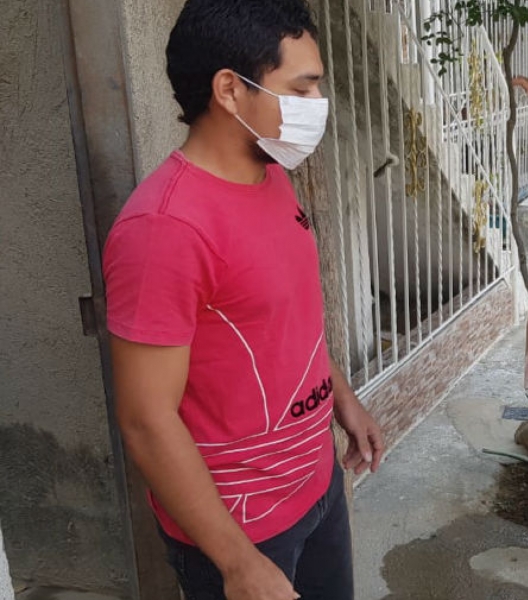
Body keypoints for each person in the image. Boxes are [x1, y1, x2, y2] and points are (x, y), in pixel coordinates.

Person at [103, 1, 383, 599]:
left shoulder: (272, 174)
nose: (317, 107)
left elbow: (286, 321)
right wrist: (237, 564)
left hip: (317, 488)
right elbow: (145, 419)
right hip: (241, 529)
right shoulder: (165, 229)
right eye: (302, 88)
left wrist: (343, 401)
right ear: (230, 90)